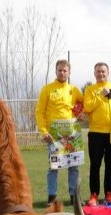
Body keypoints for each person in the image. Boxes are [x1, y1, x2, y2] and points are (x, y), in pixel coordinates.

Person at [35, 59, 84, 206]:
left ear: (69, 72)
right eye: (60, 70)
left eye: (65, 70)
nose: (62, 72)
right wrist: (43, 131)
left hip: (72, 133)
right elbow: (39, 112)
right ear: (55, 72)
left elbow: (84, 103)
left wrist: (81, 112)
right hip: (54, 134)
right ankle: (52, 196)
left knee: (74, 166)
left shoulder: (74, 90)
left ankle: (74, 196)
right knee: (53, 166)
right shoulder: (47, 89)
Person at [84, 62, 111, 206]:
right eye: (98, 71)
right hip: (96, 134)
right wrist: (101, 95)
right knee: (95, 165)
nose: (101, 74)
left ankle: (109, 193)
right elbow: (87, 106)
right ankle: (94, 194)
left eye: (103, 71)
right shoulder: (90, 89)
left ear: (108, 72)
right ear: (94, 73)